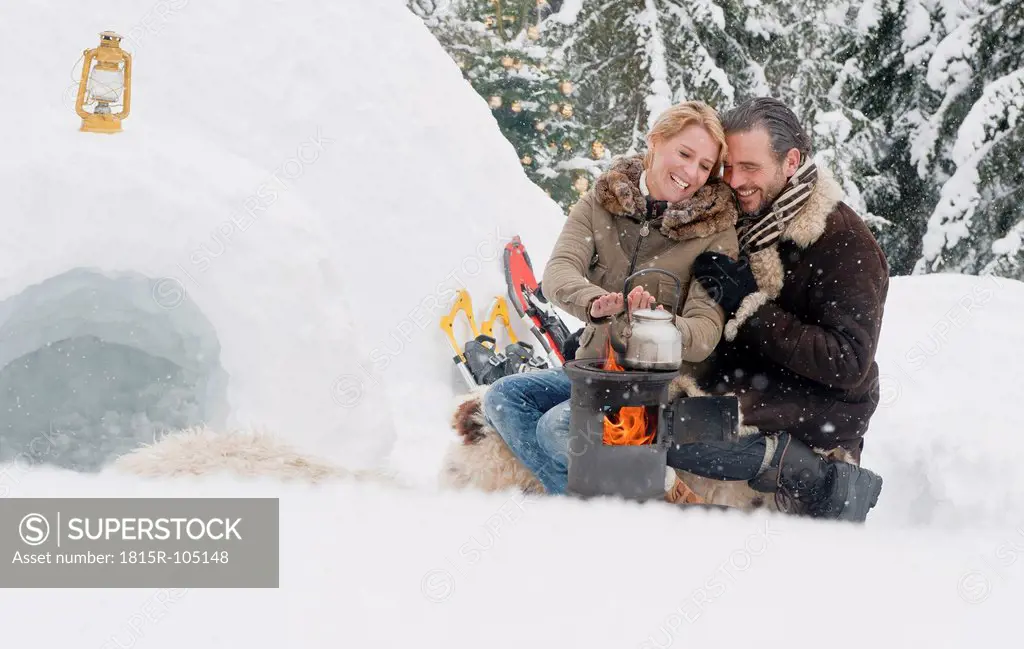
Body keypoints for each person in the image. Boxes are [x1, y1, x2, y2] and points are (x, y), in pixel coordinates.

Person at [467, 101, 741, 496]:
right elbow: (558, 273)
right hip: (594, 371)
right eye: (684, 154)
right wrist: (595, 302)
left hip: (656, 389)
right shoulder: (603, 201)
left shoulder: (716, 231)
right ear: (655, 141)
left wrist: (658, 320)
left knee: (557, 427)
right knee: (503, 398)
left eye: (704, 165)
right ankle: (578, 500)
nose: (691, 173)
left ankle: (622, 496)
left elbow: (704, 332)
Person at [665, 96, 890, 522]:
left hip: (818, 407)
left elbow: (848, 362)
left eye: (750, 168)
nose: (735, 181)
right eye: (729, 167)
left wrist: (749, 306)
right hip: (746, 384)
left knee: (676, 433)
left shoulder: (844, 242)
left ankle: (818, 476)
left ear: (791, 161)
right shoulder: (742, 221)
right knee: (643, 417)